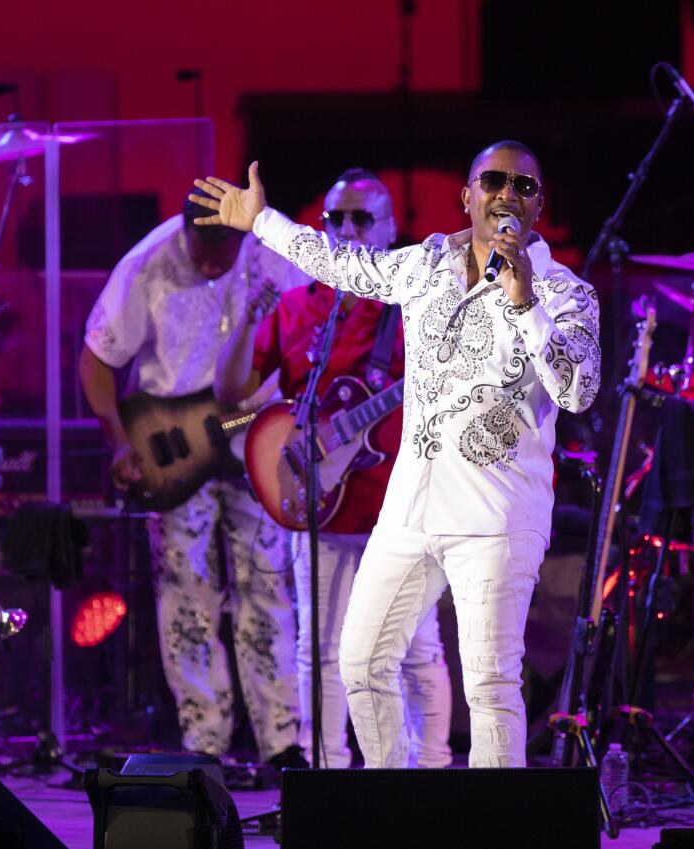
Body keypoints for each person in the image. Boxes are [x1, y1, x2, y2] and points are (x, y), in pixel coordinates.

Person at [190, 140, 601, 768]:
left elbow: (577, 391)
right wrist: (262, 222)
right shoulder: (427, 265)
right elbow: (340, 263)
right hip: (408, 511)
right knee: (359, 662)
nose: (506, 194)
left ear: (539, 205)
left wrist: (525, 306)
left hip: (497, 518)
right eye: (493, 180)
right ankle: (390, 812)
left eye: (523, 186)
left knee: (490, 688)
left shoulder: (564, 293)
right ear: (467, 195)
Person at [213, 168, 453, 768]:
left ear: (392, 229)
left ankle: (433, 776)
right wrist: (247, 318)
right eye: (335, 219)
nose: (346, 229)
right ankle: (327, 776)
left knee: (417, 651)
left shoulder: (415, 306)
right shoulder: (297, 306)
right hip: (317, 502)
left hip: (399, 506)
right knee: (319, 648)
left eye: (362, 218)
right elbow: (231, 390)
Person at [79, 190, 307, 767]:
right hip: (173, 446)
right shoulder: (146, 264)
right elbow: (97, 358)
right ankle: (203, 743)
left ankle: (282, 743)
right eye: (200, 252)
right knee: (187, 596)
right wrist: (118, 441)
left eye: (221, 254)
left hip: (258, 433)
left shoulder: (275, 253)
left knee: (270, 586)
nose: (209, 266)